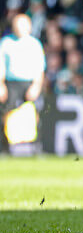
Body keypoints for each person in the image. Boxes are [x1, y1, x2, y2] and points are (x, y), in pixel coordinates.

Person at [0, 14, 45, 153]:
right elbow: (1, 65)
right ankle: (4, 148)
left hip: (29, 83)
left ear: (29, 27)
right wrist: (1, 85)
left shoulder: (35, 44)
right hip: (11, 83)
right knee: (6, 114)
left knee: (34, 114)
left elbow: (40, 68)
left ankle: (36, 147)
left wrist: (36, 86)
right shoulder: (6, 42)